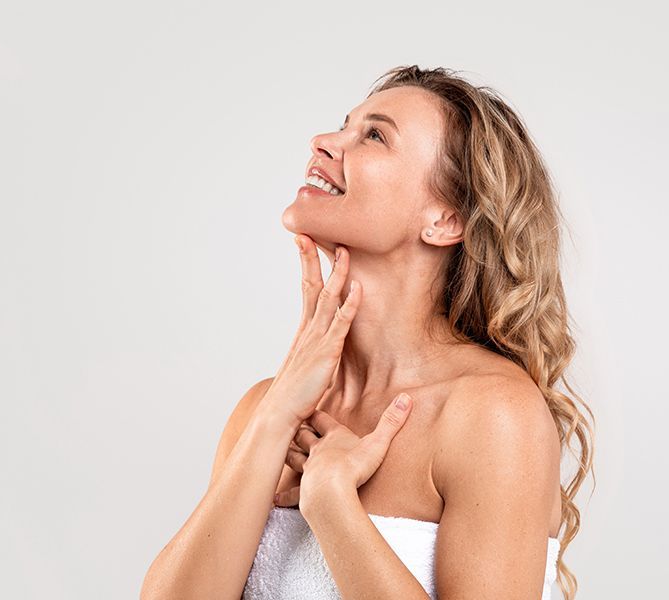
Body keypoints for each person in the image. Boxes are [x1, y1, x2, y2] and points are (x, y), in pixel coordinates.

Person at [140, 65, 595, 600]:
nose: (324, 142)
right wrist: (274, 418)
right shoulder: (266, 410)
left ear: (446, 219)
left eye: (374, 135)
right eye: (344, 125)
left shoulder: (491, 414)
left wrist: (334, 507)